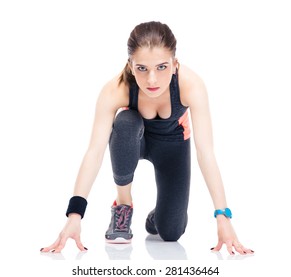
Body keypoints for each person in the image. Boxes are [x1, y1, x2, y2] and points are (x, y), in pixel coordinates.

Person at [40, 21, 253, 255]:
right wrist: (75, 214)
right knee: (126, 122)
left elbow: (205, 152)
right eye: (142, 68)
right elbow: (95, 151)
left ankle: (158, 216)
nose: (152, 79)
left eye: (161, 67)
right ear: (131, 66)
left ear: (175, 64)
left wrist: (222, 216)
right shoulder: (116, 89)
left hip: (172, 145)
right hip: (131, 139)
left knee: (171, 232)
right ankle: (123, 205)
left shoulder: (191, 85)